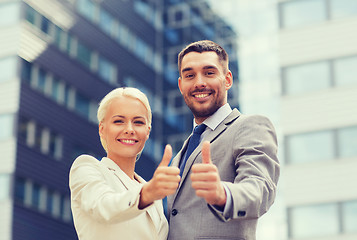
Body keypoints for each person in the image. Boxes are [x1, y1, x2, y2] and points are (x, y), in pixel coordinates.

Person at [167, 40, 280, 240]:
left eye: (209, 73)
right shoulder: (179, 155)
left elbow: (259, 189)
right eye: (189, 75)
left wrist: (222, 194)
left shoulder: (250, 126)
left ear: (227, 79)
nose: (199, 82)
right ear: (181, 84)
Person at [69, 87, 180, 240]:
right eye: (119, 121)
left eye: (138, 122)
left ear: (147, 131)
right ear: (102, 129)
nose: (129, 129)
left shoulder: (151, 191)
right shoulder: (86, 168)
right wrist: (147, 194)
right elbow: (103, 206)